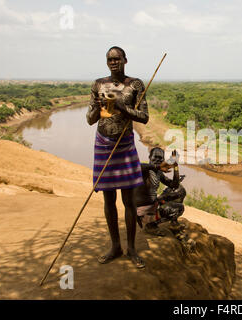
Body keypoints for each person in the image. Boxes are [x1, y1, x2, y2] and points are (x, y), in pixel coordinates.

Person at [86, 46, 159, 268]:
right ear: (106, 62)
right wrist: (98, 107)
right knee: (108, 199)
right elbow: (89, 119)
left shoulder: (135, 84)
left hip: (124, 144)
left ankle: (132, 249)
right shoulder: (98, 84)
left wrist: (121, 106)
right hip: (103, 144)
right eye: (110, 59)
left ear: (125, 60)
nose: (114, 62)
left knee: (128, 200)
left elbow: (144, 117)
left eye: (117, 59)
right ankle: (115, 246)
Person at [134, 148, 180, 235]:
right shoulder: (144, 170)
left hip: (152, 207)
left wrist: (176, 167)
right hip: (141, 211)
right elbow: (136, 166)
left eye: (160, 158)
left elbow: (174, 185)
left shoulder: (159, 173)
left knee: (179, 200)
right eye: (155, 157)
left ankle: (155, 222)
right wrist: (157, 167)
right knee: (172, 209)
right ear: (150, 157)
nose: (158, 160)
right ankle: (150, 226)